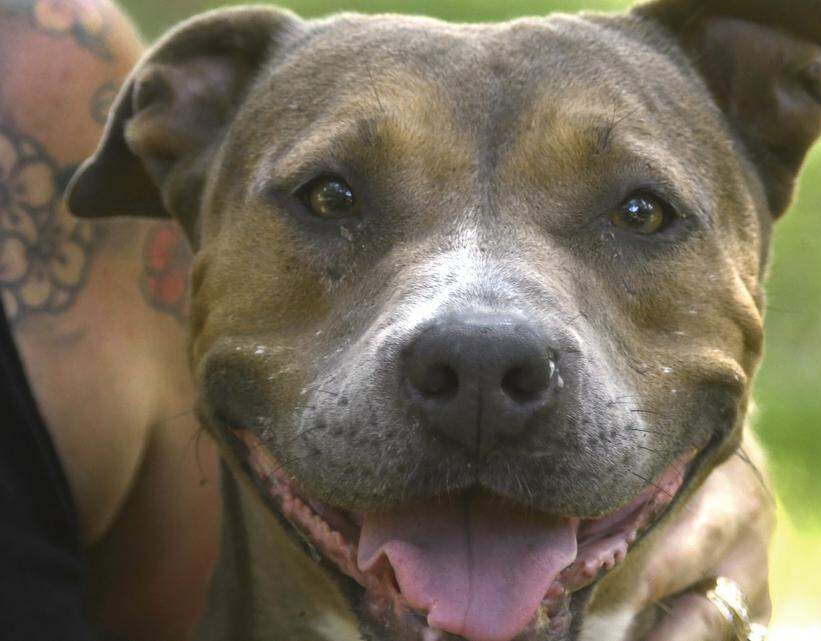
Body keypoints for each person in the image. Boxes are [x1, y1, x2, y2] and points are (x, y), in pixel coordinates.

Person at [0, 1, 773, 639]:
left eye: (639, 212)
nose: (480, 336)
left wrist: (698, 452)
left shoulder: (30, 68)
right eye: (331, 199)